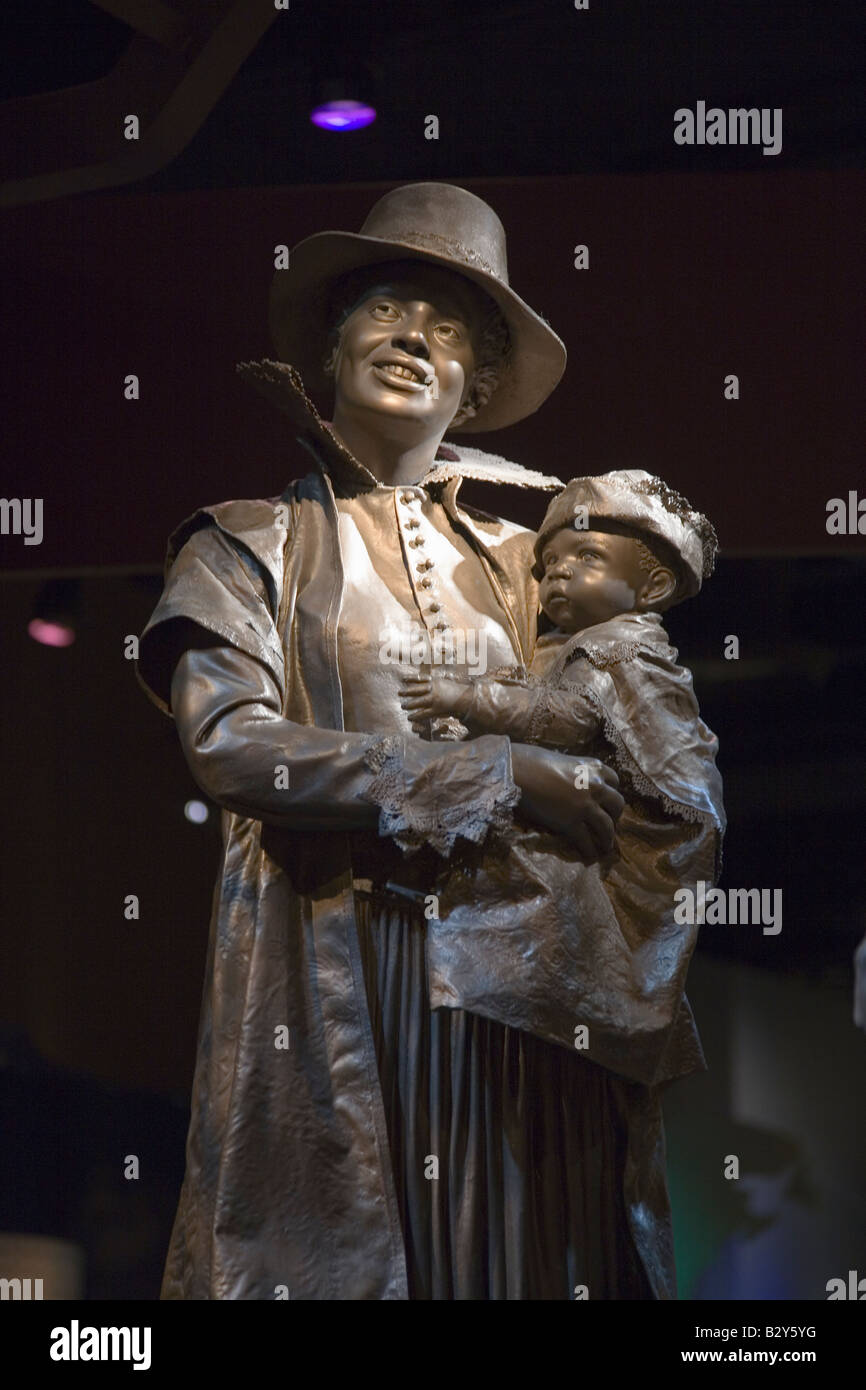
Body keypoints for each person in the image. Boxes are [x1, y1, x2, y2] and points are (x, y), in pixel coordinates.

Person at [137, 182, 682, 1300]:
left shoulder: (535, 561)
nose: (410, 341)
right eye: (386, 311)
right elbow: (236, 749)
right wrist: (490, 769)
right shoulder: (246, 543)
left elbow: (624, 732)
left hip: (517, 991)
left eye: (446, 332)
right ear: (332, 348)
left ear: (474, 386)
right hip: (341, 962)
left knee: (519, 1263)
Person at [398, 470, 725, 1086]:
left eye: (588, 556)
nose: (559, 573)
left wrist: (466, 699)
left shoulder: (621, 650)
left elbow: (563, 717)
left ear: (651, 586)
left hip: (647, 838)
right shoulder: (580, 642)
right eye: (547, 565)